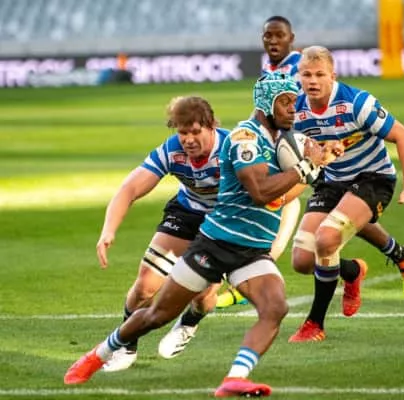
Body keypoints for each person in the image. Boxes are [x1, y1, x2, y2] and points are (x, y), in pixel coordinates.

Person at [64, 72, 340, 397]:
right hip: (217, 242)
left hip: (252, 250)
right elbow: (260, 192)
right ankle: (98, 355)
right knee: (156, 314)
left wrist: (321, 159)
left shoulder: (281, 139)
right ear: (267, 104)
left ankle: (234, 378)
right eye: (286, 102)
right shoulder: (245, 138)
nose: (294, 109)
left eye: (295, 102)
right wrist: (306, 168)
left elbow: (286, 187)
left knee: (275, 308)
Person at [95, 95, 304, 373]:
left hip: (227, 222)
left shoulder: (238, 145)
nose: (188, 140)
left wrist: (272, 244)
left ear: (212, 126)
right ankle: (126, 345)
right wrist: (108, 231)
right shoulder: (171, 151)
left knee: (204, 295)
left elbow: (282, 190)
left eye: (195, 132)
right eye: (183, 133)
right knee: (145, 285)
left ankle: (189, 323)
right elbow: (130, 189)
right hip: (188, 213)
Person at [288, 46, 404, 343]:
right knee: (302, 260)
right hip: (333, 180)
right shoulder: (295, 109)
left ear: (333, 75)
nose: (312, 81)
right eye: (306, 75)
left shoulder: (356, 103)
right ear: (298, 76)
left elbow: (403, 135)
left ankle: (315, 324)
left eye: (320, 74)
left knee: (327, 238)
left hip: (373, 177)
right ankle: (354, 270)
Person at [214, 15, 302, 309]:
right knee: (309, 233)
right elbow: (262, 111)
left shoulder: (298, 67)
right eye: (268, 36)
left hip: (297, 147)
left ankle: (248, 277)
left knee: (283, 203)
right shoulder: (272, 68)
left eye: (279, 35)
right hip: (282, 147)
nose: (273, 41)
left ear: (291, 38)